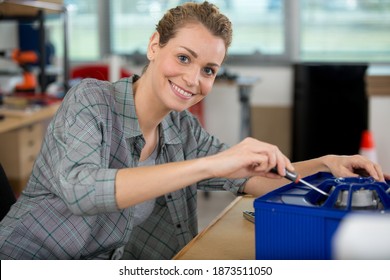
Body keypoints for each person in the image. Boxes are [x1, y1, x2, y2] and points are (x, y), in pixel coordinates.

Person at [0, 1, 387, 260]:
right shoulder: (90, 100)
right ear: (155, 46)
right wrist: (210, 166)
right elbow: (82, 189)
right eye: (183, 57)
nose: (193, 78)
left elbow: (251, 180)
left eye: (208, 70)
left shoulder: (182, 129)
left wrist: (324, 165)